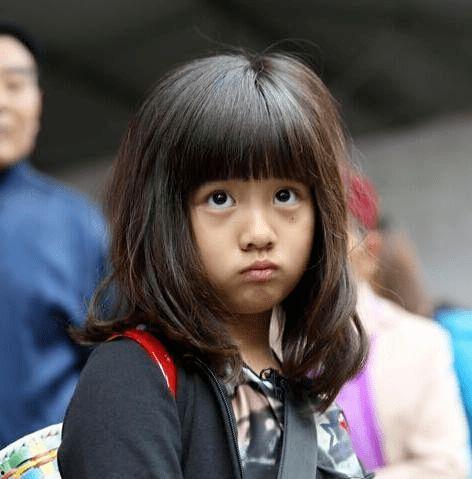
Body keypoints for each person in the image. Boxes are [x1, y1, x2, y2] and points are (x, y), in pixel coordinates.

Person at [58, 52, 373, 478]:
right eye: (220, 199)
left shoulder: (307, 392)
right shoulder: (132, 378)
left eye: (285, 195)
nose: (259, 233)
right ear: (164, 215)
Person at [0, 23, 107, 447]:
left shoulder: (76, 225)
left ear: (38, 103)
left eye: (15, 85)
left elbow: (113, 366)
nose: (2, 102)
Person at [337, 173, 470, 478]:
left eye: (332, 238)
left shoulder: (423, 342)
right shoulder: (263, 345)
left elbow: (447, 467)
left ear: (370, 251)